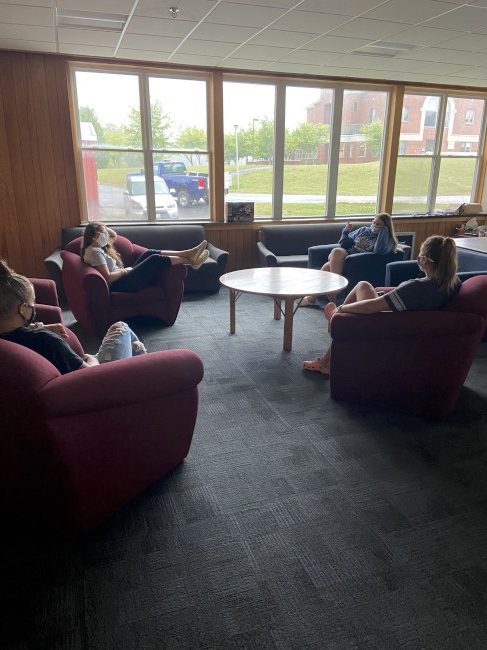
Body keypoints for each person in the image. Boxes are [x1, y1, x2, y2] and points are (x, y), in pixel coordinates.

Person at [303, 235, 460, 375]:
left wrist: (343, 308)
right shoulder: (453, 283)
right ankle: (337, 323)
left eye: (419, 255)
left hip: (386, 323)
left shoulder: (417, 287)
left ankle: (335, 324)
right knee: (363, 286)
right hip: (404, 318)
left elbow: (373, 307)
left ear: (423, 260)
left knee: (356, 295)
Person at [0, 260, 147, 375]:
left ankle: (138, 361)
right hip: (99, 379)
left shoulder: (9, 341)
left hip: (68, 379)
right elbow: (90, 377)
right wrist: (91, 359)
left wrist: (39, 326)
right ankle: (141, 372)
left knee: (132, 344)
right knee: (121, 327)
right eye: (32, 304)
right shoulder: (46, 341)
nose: (34, 308)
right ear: (23, 309)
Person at [301, 213, 398, 306]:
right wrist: (346, 231)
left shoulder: (388, 240)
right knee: (337, 251)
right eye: (374, 222)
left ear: (386, 227)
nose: (374, 226)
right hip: (348, 254)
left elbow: (379, 251)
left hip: (358, 262)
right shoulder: (363, 230)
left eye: (378, 225)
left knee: (328, 266)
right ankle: (335, 287)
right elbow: (345, 244)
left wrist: (383, 232)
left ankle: (313, 298)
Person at [81, 222, 209, 293]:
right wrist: (124, 271)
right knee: (154, 259)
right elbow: (108, 278)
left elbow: (113, 235)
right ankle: (190, 259)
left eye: (104, 232)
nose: (105, 235)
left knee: (150, 252)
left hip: (123, 278)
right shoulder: (95, 253)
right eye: (102, 233)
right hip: (120, 285)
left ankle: (188, 253)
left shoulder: (96, 248)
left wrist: (101, 227)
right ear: (94, 237)